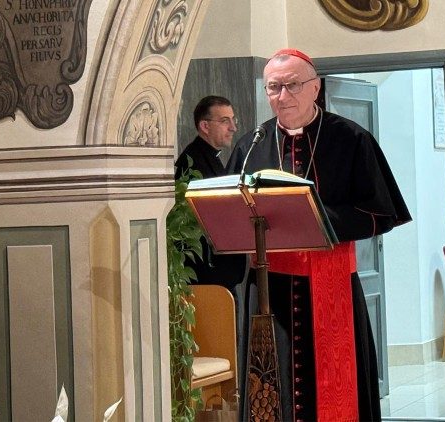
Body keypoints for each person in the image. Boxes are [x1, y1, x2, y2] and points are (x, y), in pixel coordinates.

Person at [227, 49, 411, 421]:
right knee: (270, 385)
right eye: (274, 87)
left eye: (292, 85)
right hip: (267, 286)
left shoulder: (351, 139)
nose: (283, 96)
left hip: (331, 282)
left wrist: (315, 218)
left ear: (315, 88)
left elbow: (381, 213)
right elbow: (231, 209)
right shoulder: (251, 144)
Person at [175, 95, 247, 289]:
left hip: (221, 276)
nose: (233, 127)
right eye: (225, 121)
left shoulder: (209, 157)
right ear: (205, 126)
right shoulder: (192, 163)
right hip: (208, 278)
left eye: (234, 120)